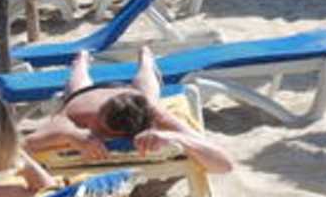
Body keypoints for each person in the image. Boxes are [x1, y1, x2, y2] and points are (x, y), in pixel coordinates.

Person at [25, 47, 237, 175]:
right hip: (84, 96)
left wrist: (173, 136)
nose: (93, 127)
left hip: (131, 94)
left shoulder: (154, 114)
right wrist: (71, 135)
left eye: (100, 128)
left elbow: (225, 165)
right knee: (77, 84)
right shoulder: (76, 117)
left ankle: (146, 60)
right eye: (97, 121)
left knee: (149, 94)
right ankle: (80, 61)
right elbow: (24, 145)